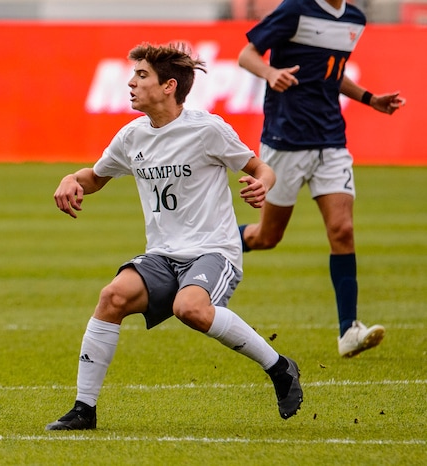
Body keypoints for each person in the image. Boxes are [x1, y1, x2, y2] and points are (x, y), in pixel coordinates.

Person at [46, 42, 303, 431]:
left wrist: (261, 184)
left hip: (214, 251)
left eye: (141, 75)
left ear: (169, 86)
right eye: (132, 75)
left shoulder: (207, 129)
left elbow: (261, 167)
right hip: (164, 255)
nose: (130, 82)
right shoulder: (132, 136)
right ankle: (84, 410)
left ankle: (280, 368)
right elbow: (95, 178)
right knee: (111, 297)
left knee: (191, 308)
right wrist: (70, 179)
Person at [237, 0, 405, 358]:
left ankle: (348, 331)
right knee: (267, 237)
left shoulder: (354, 19)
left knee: (342, 229)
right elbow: (246, 54)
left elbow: (331, 73)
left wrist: (369, 98)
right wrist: (269, 73)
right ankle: (203, 244)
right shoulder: (295, 9)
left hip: (331, 141)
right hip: (285, 141)